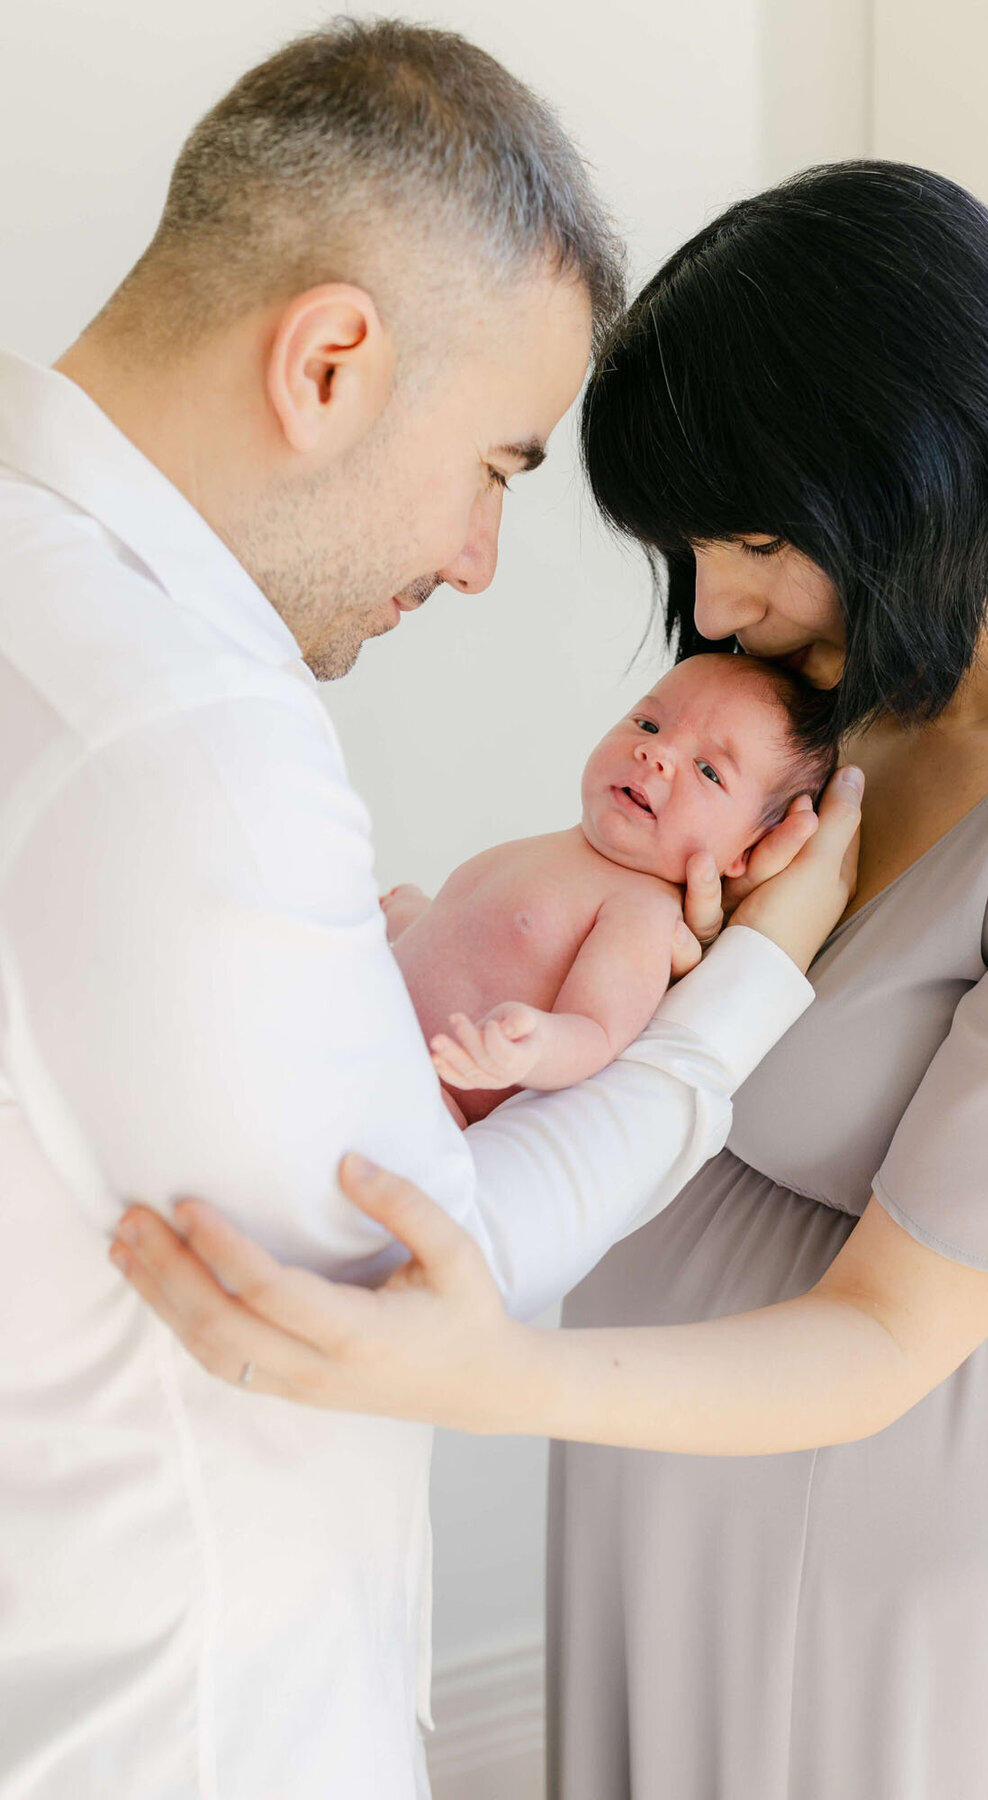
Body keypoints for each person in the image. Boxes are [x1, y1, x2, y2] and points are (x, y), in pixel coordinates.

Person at [114, 163, 988, 1800]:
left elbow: (886, 1336)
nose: (709, 604)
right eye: (691, 545)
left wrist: (488, 1370)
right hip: (660, 1485)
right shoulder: (809, 700)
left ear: (923, 482)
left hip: (888, 1551)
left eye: (753, 541)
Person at [0, 25, 863, 1800]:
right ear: (330, 362)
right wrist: (753, 982)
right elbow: (429, 1270)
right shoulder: (191, 742)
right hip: (187, 1731)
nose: (477, 562)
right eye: (497, 467)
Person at [391, 652, 836, 1123]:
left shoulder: (642, 909)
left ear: (745, 852)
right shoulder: (565, 848)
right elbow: (477, 939)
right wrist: (416, 916)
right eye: (647, 724)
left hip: (426, 1097)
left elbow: (595, 1029)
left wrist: (534, 1046)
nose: (657, 753)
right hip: (360, 1026)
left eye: (708, 770)